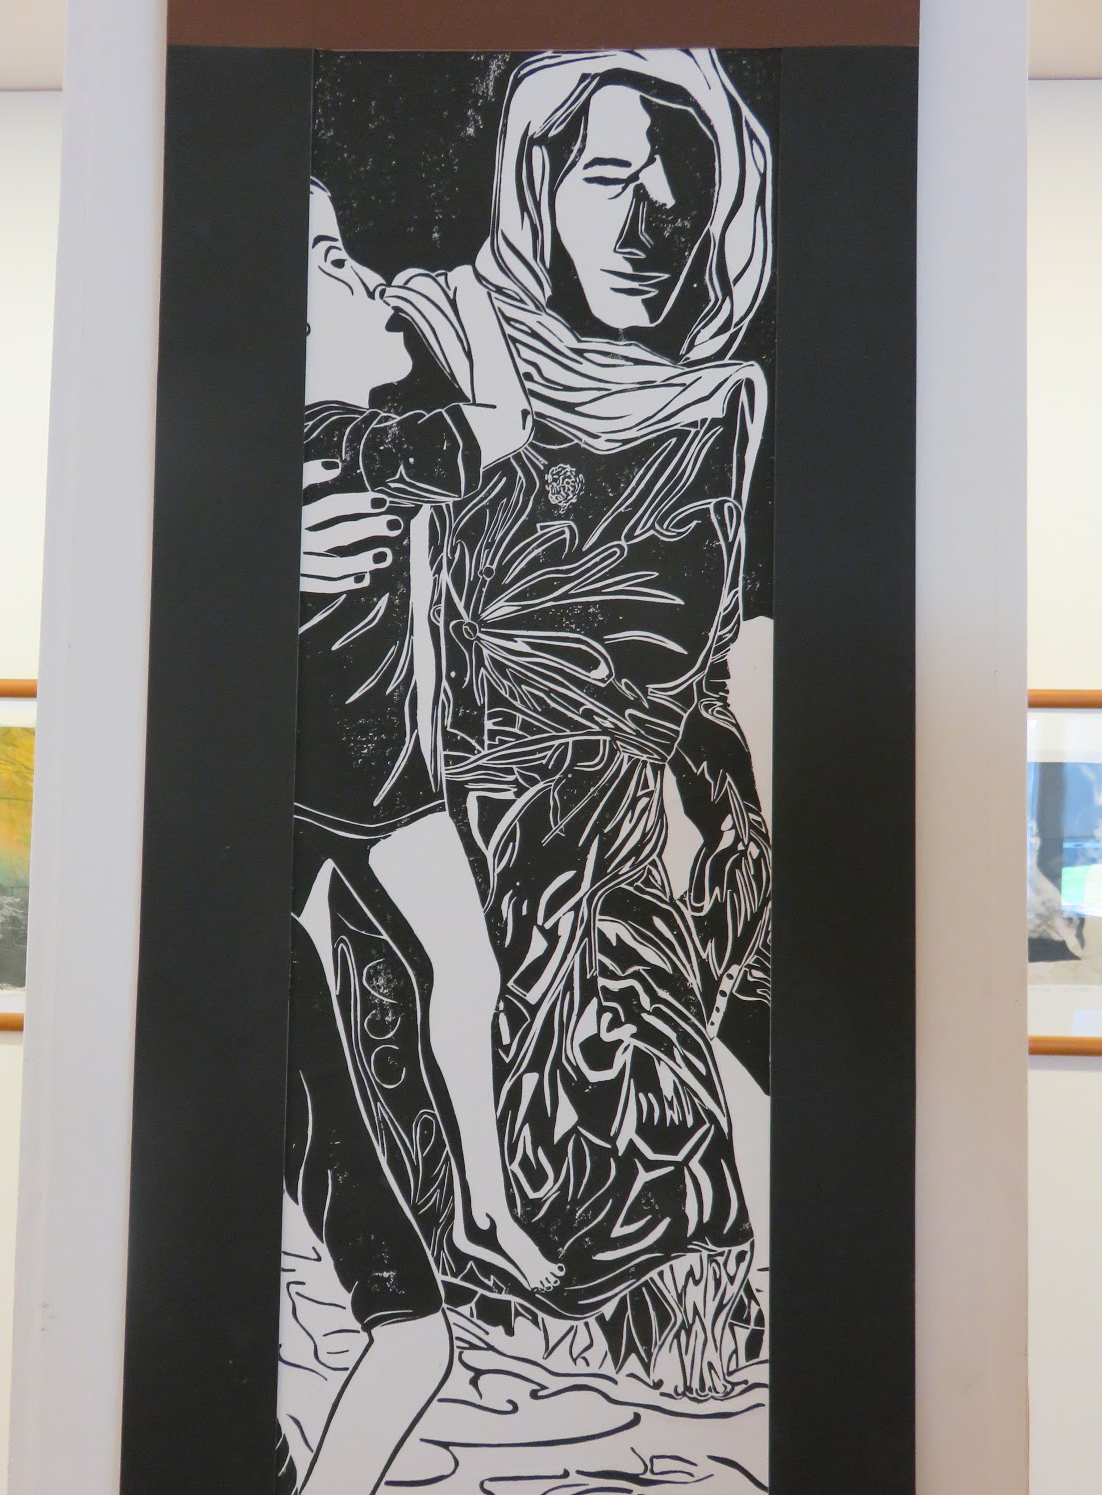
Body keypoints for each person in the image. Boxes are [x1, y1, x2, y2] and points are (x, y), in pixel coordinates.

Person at [326, 48, 774, 1397]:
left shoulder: (721, 409)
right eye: (608, 177)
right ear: (534, 184)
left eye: (682, 189)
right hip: (440, 852)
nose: (649, 222)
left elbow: (704, 672)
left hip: (626, 896)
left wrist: (739, 844)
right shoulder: (431, 343)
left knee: (686, 1304)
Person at [274, 180, 562, 1495]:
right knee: (455, 969)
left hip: (387, 786)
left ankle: (484, 1208)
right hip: (351, 789)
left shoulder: (326, 440)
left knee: (468, 968)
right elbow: (500, 428)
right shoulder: (343, 437)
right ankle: (483, 1211)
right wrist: (465, 323)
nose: (362, 274)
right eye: (330, 262)